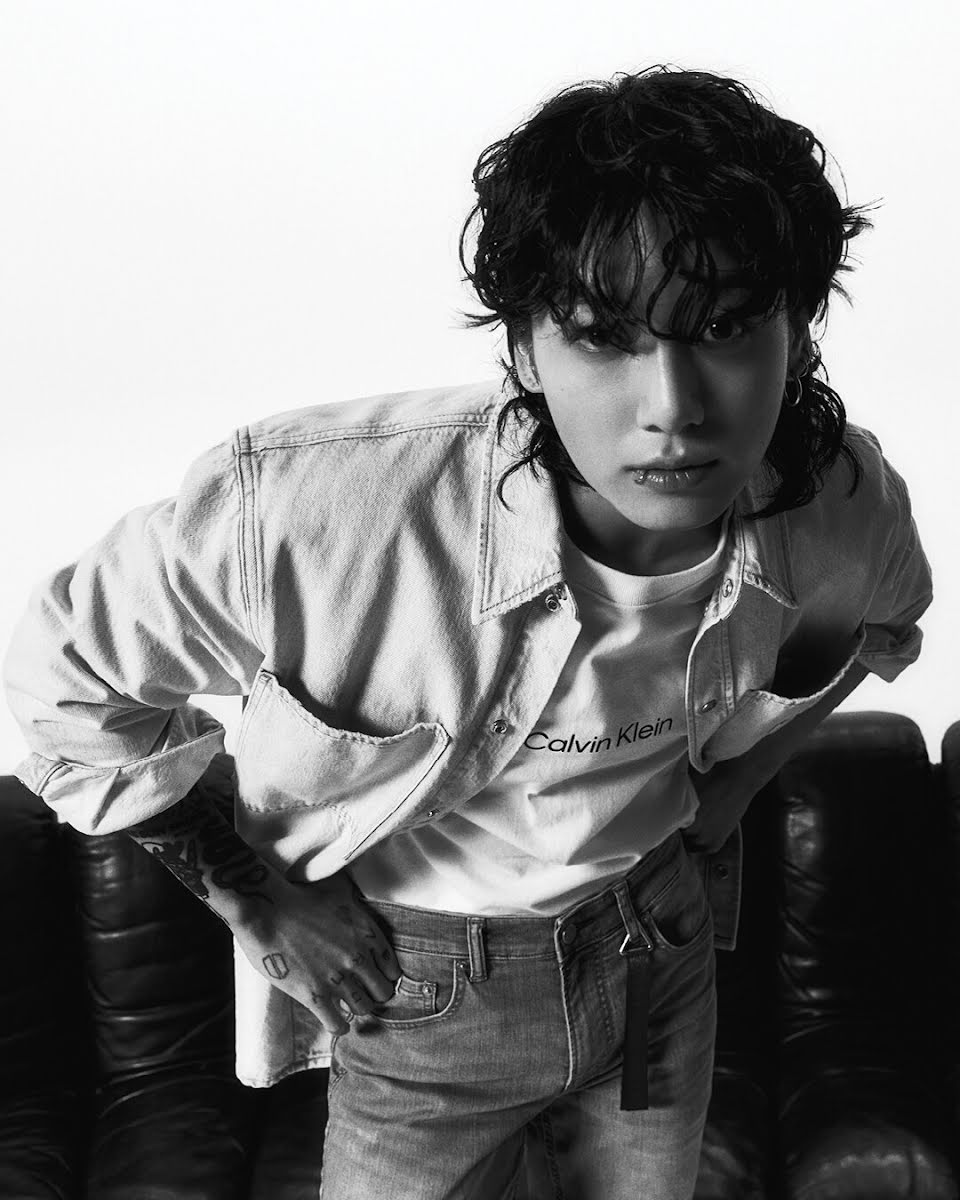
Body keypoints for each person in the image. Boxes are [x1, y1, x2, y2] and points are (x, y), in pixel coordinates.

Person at [3, 65, 932, 1199]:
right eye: (604, 336)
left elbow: (880, 626)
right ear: (527, 350)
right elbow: (65, 686)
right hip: (426, 1000)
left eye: (728, 327)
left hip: (654, 966)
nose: (674, 407)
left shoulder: (837, 506)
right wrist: (259, 895)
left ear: (798, 325)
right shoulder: (319, 514)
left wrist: (731, 791)